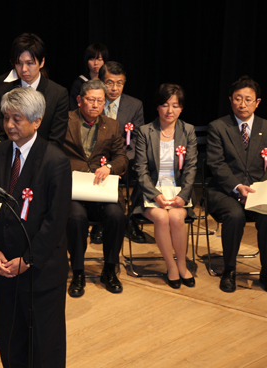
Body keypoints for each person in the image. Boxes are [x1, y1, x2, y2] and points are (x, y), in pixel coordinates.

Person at [0, 87, 72, 368]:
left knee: (45, 345)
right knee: (11, 341)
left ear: (37, 121)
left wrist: (28, 259)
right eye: (6, 118)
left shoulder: (55, 161)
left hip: (40, 271)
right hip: (3, 266)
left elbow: (56, 221)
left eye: (17, 119)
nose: (9, 125)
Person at [207, 75, 267, 295]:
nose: (242, 104)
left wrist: (261, 192)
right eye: (238, 99)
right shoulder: (218, 127)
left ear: (257, 102)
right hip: (225, 192)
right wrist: (237, 186)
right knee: (235, 215)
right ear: (231, 100)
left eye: (248, 99)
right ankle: (229, 269)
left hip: (258, 193)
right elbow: (216, 163)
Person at [63, 80, 128, 298]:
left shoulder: (111, 124)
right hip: (74, 190)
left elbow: (122, 158)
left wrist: (109, 167)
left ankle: (109, 269)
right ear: (80, 100)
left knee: (117, 216)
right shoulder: (65, 120)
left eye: (100, 101)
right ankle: (78, 271)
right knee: (75, 218)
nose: (95, 105)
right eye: (91, 100)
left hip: (101, 190)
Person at [132, 83, 197, 288]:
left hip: (179, 191)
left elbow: (191, 168)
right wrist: (155, 195)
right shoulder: (145, 131)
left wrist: (184, 195)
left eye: (176, 106)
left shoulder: (188, 130)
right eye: (166, 105)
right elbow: (140, 169)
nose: (170, 111)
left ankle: (183, 265)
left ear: (182, 108)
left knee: (177, 217)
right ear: (158, 106)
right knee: (161, 217)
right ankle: (171, 267)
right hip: (151, 191)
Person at [0, 33, 68, 148]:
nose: (24, 69)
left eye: (30, 63)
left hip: (43, 160)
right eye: (19, 63)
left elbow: (56, 140)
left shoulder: (58, 94)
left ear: (42, 62)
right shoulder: (3, 91)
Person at [99, 61, 147, 243]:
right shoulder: (95, 101)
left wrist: (121, 162)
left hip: (127, 157)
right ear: (101, 81)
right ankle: (103, 221)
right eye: (109, 82)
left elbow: (137, 139)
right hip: (98, 159)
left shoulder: (134, 105)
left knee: (146, 170)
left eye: (119, 83)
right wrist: (109, 165)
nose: (114, 88)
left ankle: (131, 216)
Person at [69, 43, 109, 111]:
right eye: (92, 59)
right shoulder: (79, 83)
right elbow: (73, 107)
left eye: (99, 60)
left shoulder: (108, 82)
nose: (96, 63)